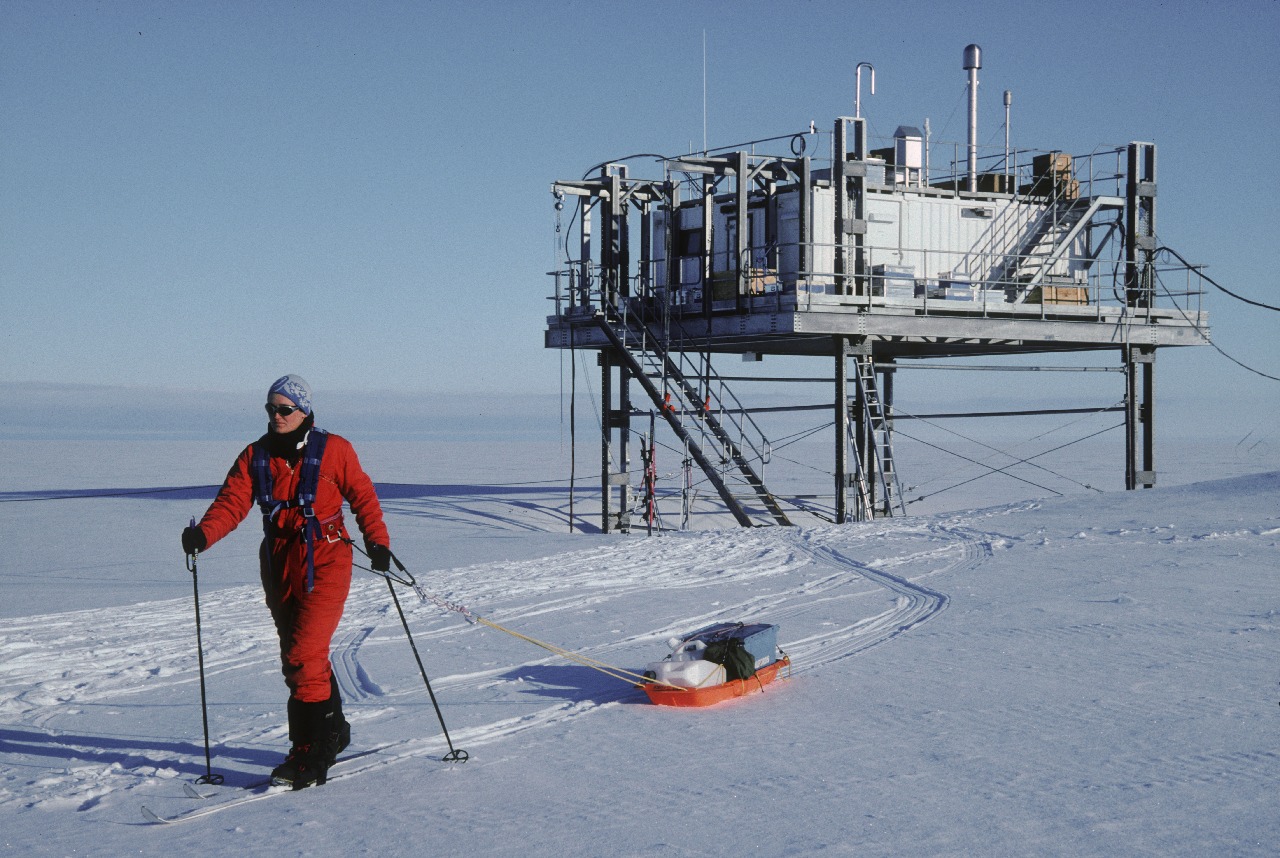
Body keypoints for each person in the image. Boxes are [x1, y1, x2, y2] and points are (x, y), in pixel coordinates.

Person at [181, 375, 391, 790]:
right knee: (295, 654)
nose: (276, 416)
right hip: (279, 561)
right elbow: (232, 502)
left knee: (304, 651)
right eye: (270, 409)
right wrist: (203, 534)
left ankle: (310, 751)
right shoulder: (255, 455)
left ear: (304, 410)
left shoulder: (336, 450)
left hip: (327, 555)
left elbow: (363, 495)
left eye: (284, 409)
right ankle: (334, 729)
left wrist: (378, 542)